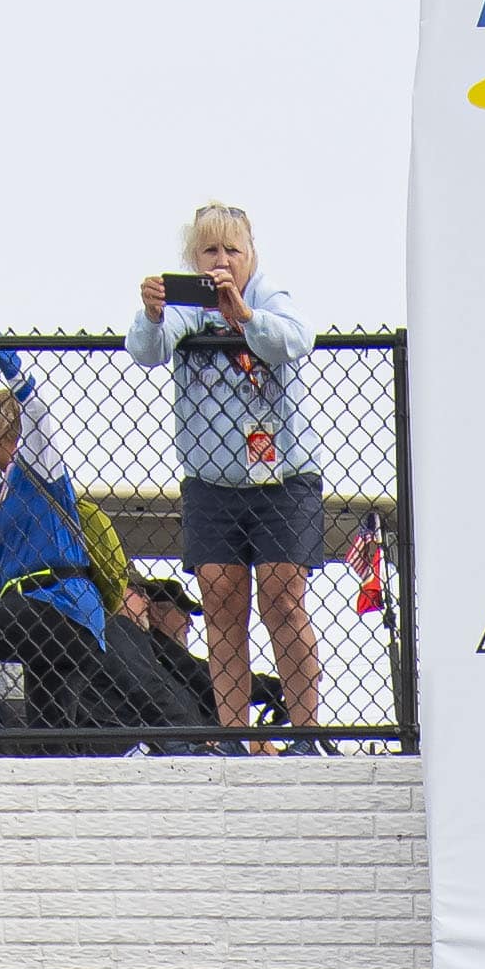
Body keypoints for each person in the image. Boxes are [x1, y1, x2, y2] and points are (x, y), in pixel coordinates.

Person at [131, 199, 325, 735]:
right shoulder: (185, 305)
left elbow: (295, 340)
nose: (221, 261)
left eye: (232, 250)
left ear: (251, 254)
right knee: (219, 598)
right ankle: (232, 737)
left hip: (283, 479)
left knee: (283, 597)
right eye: (209, 250)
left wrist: (242, 315)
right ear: (193, 258)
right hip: (211, 483)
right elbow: (146, 350)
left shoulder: (268, 297)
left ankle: (308, 734)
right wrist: (150, 314)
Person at [0, 366, 141, 730]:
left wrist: (0, 354)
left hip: (62, 602)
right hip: (32, 615)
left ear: (0, 427)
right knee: (49, 732)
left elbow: (36, 410)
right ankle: (40, 756)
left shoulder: (36, 464)